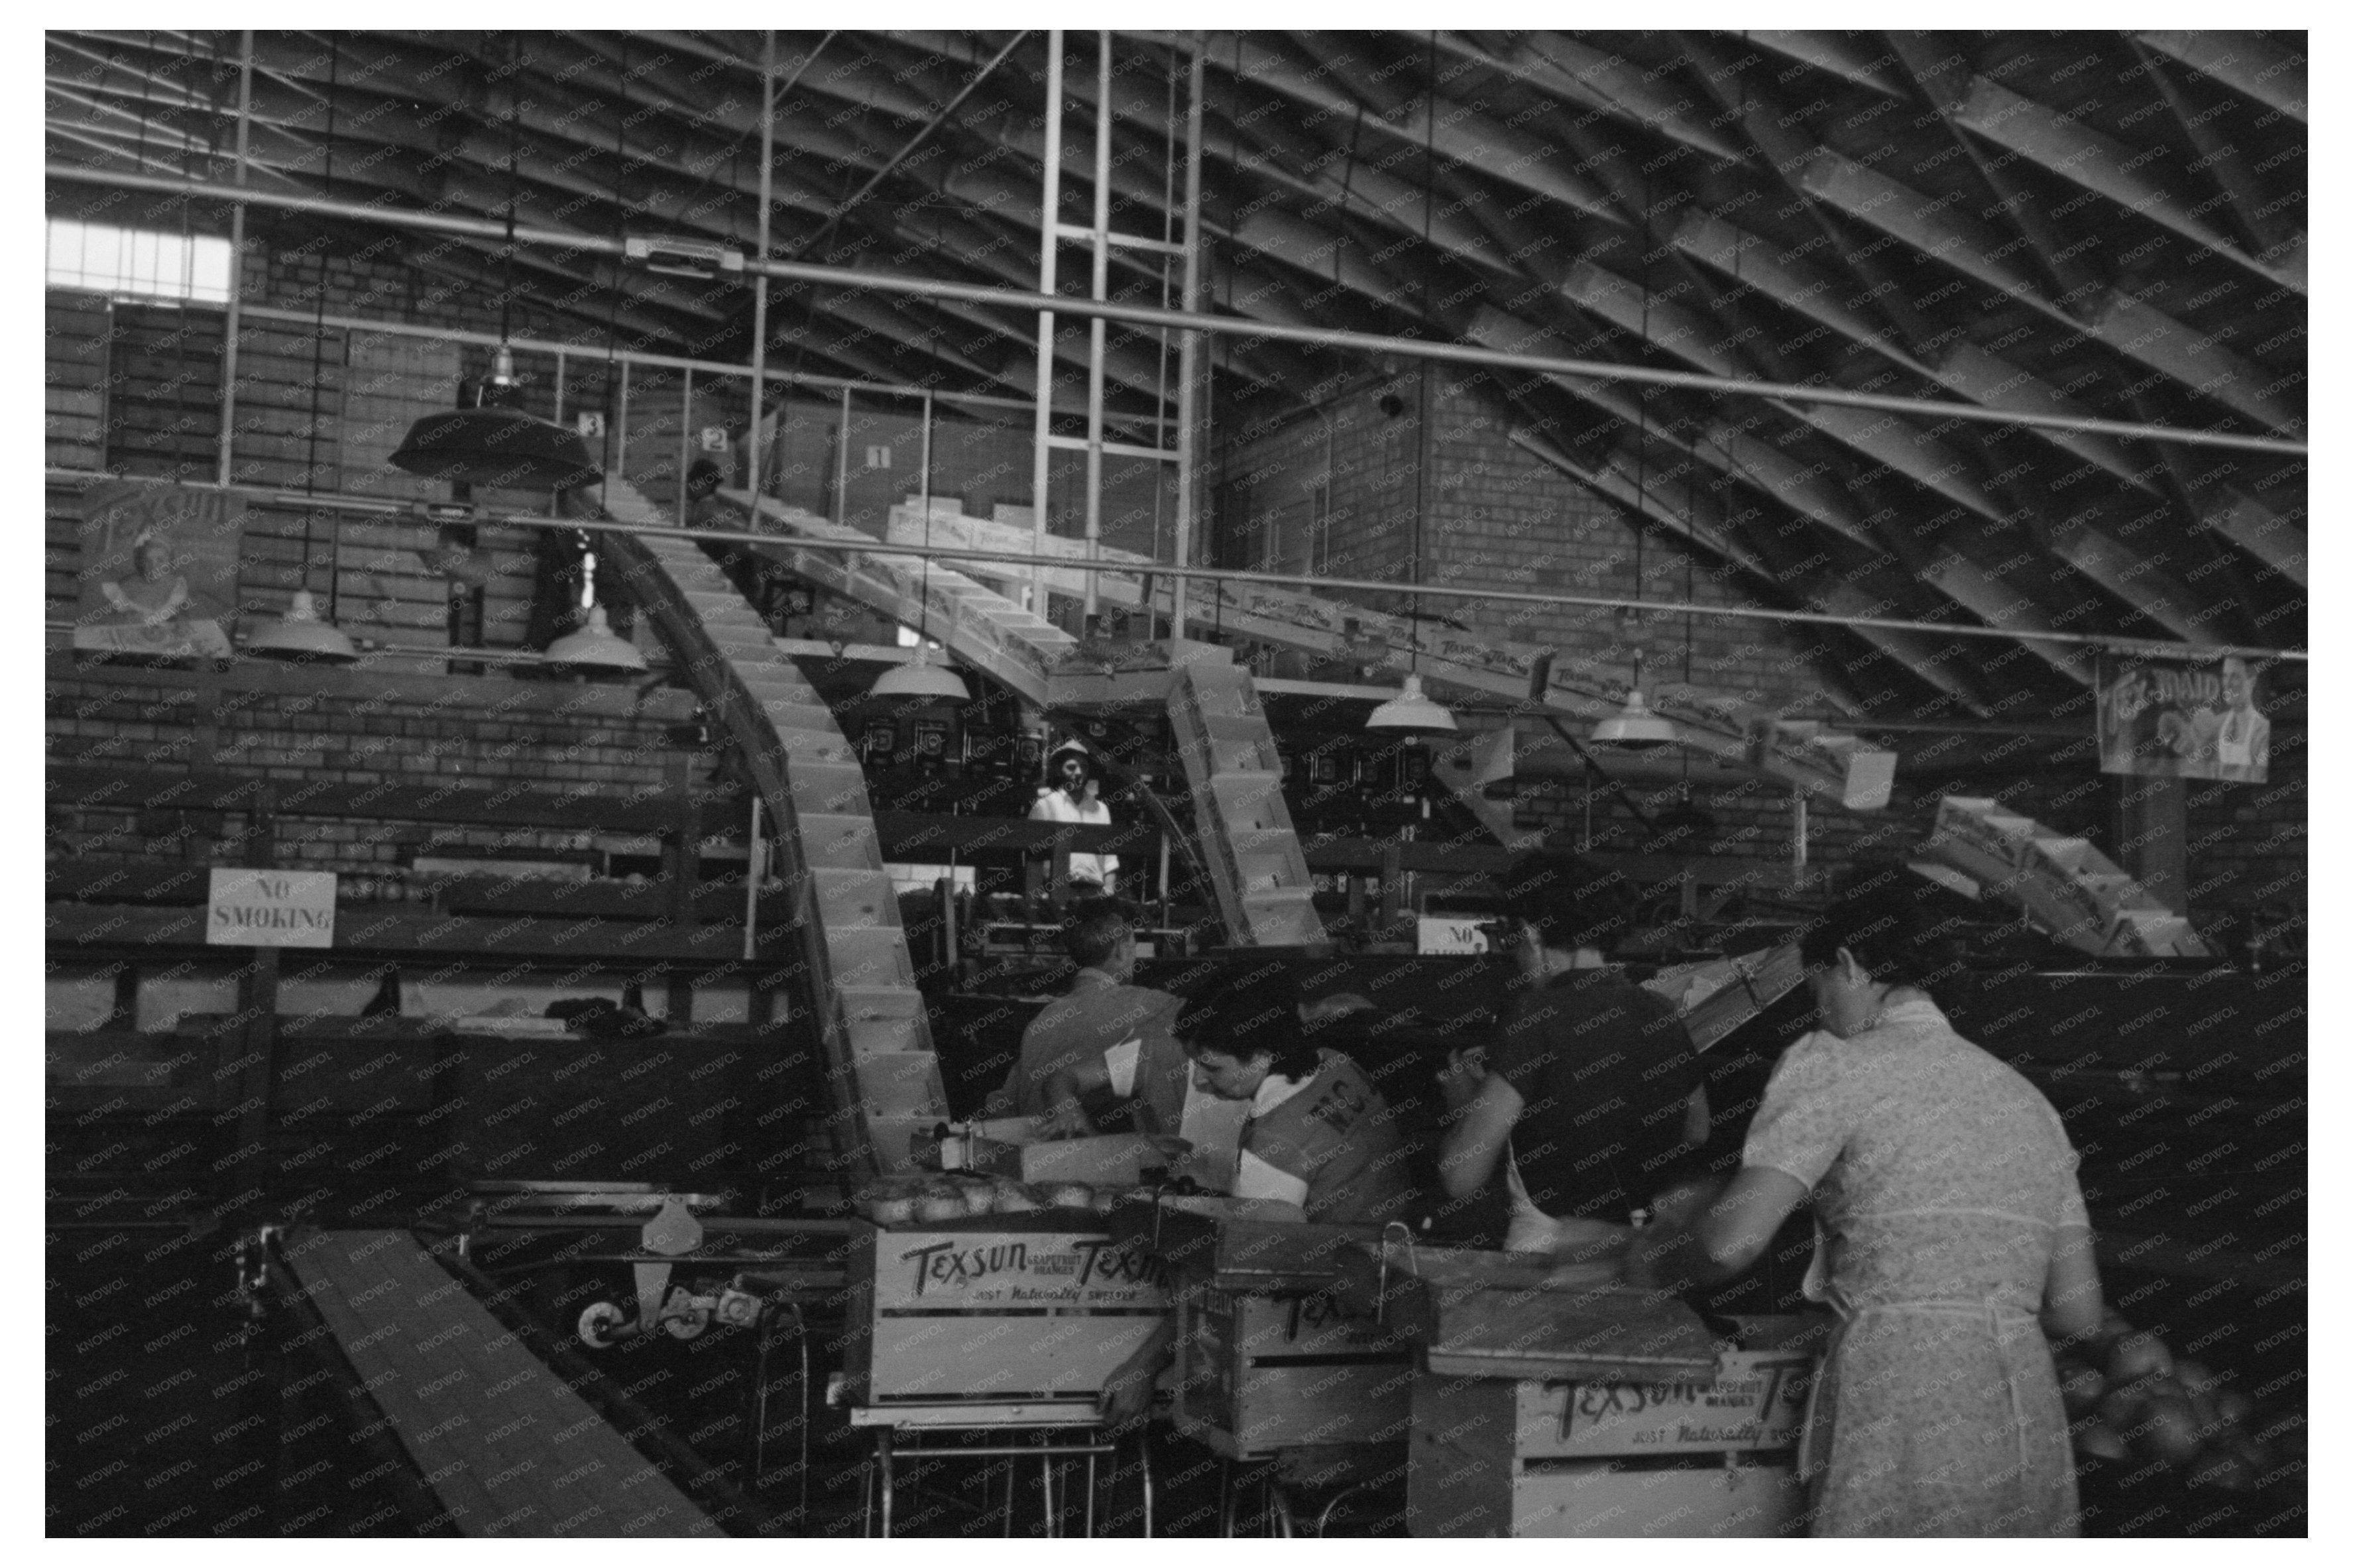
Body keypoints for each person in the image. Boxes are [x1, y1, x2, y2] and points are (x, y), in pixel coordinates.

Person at [1623, 880, 2103, 1537]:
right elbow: (2079, 1310)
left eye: (1817, 989)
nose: (1817, 1011)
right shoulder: (2029, 1102)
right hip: (2024, 1407)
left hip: (1901, 1388)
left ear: (1850, 964)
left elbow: (1727, 1244)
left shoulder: (1834, 1063)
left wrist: (1648, 1266)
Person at [1098, 968, 1416, 1428]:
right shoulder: (1332, 1063)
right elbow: (1315, 1155)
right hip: (1389, 1276)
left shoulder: (1274, 1149)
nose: (1202, 1083)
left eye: (1211, 1067)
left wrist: (1143, 1367)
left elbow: (1238, 1276)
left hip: (1335, 1321)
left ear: (1264, 1055)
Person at [1436, 852, 1707, 1255]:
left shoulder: (1533, 1014)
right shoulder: (1660, 1010)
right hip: (1638, 1254)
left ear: (1530, 934)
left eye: (1512, 939)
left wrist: (1465, 1102)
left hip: (1548, 1257)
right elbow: (1695, 1131)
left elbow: (1461, 1177)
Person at [984, 898, 1186, 1137]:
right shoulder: (1152, 1006)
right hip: (1101, 1157)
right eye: (1133, 946)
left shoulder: (1040, 1021)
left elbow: (1003, 1104)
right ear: (1121, 949)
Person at [1029, 742, 1117, 894]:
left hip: (1094, 893)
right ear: (1058, 770)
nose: (1078, 772)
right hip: (1057, 891)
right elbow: (1035, 857)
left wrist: (1108, 891)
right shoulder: (1045, 806)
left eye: (1084, 767)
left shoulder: (1101, 809)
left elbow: (1110, 859)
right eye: (1071, 767)